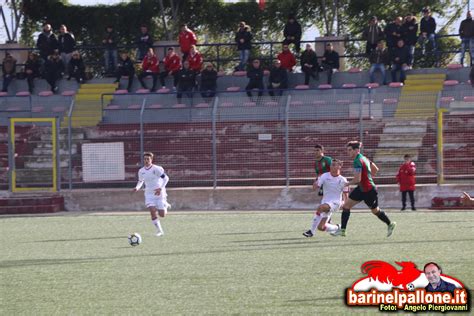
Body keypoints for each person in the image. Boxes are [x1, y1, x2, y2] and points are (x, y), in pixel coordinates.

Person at [332, 141, 396, 237]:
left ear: (356, 150)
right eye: (347, 150)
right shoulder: (364, 158)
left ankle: (390, 224)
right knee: (346, 206)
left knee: (375, 211)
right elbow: (375, 170)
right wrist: (367, 176)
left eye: (350, 150)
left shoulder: (357, 161)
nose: (348, 152)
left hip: (369, 190)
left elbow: (357, 179)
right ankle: (342, 230)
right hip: (361, 189)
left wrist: (347, 184)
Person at [303, 159, 349, 238]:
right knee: (321, 227)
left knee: (321, 208)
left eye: (334, 165)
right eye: (331, 165)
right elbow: (315, 187)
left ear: (340, 167)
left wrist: (345, 204)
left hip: (336, 203)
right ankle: (338, 227)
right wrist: (316, 181)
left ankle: (311, 232)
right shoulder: (325, 175)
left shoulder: (343, 180)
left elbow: (346, 194)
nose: (332, 166)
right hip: (325, 202)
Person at [133, 152, 170, 237]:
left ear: (151, 160)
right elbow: (141, 181)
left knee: (162, 215)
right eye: (145, 159)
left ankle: (165, 205)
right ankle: (160, 231)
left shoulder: (156, 169)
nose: (146, 161)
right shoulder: (141, 171)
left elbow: (166, 178)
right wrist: (137, 187)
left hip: (159, 193)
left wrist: (160, 188)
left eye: (148, 159)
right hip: (149, 194)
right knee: (152, 211)